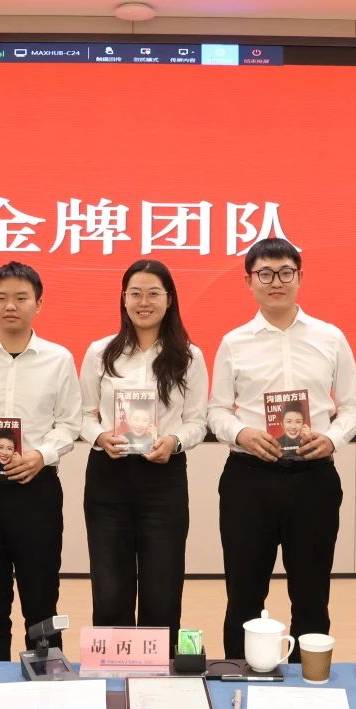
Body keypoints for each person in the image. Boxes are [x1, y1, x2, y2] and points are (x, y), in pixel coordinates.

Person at [208, 238, 356, 661]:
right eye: (265, 273)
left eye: (285, 272)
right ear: (249, 281)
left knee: (311, 593)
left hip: (313, 478)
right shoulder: (234, 342)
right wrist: (242, 434)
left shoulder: (330, 337)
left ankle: (308, 681)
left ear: (300, 277)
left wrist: (331, 438)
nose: (275, 281)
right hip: (249, 479)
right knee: (244, 591)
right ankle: (238, 674)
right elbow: (216, 410)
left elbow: (354, 407)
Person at [0, 261, 82, 661]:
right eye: (1, 297)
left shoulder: (58, 359)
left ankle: (46, 683)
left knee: (42, 601)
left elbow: (70, 423)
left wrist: (41, 455)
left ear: (38, 304)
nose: (10, 306)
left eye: (21, 298)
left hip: (36, 490)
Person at [81, 259, 208, 641]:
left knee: (162, 589)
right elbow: (82, 415)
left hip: (163, 476)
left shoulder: (188, 357)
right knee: (110, 589)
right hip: (108, 475)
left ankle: (159, 672)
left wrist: (174, 441)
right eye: (135, 293)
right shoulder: (100, 353)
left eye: (153, 293)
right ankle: (114, 669)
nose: (144, 302)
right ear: (123, 299)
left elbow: (197, 421)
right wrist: (100, 436)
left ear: (169, 300)